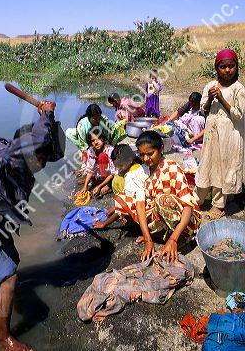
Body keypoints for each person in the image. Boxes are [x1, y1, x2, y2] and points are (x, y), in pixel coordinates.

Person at [0, 101, 65, 351]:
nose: (40, 163)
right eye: (37, 156)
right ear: (24, 151)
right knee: (9, 276)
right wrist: (46, 114)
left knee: (12, 263)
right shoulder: (2, 159)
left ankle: (7, 299)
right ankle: (3, 338)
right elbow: (36, 139)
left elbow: (55, 150)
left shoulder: (24, 170)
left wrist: (48, 118)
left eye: (42, 158)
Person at [94, 131, 201, 263]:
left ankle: (177, 238)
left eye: (150, 154)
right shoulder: (140, 171)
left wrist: (173, 240)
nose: (146, 159)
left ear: (161, 149)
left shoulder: (172, 168)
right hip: (160, 214)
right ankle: (156, 235)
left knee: (162, 200)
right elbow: (139, 204)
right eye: (142, 154)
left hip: (183, 218)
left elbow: (187, 206)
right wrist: (148, 239)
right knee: (126, 199)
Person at [195, 48, 245, 220]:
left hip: (229, 136)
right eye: (223, 67)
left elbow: (239, 115)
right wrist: (210, 98)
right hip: (211, 134)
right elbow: (203, 110)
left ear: (236, 68)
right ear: (217, 68)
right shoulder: (210, 86)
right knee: (208, 163)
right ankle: (199, 197)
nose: (227, 70)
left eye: (231, 66)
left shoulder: (238, 89)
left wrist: (222, 99)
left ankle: (218, 204)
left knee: (223, 166)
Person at [80, 129, 116, 198]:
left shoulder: (110, 150)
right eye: (93, 141)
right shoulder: (91, 150)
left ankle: (108, 184)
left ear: (103, 139)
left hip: (110, 174)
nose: (96, 142)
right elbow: (90, 169)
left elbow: (113, 172)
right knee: (85, 154)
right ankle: (97, 180)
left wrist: (99, 186)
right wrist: (85, 186)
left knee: (101, 156)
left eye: (98, 139)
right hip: (101, 171)